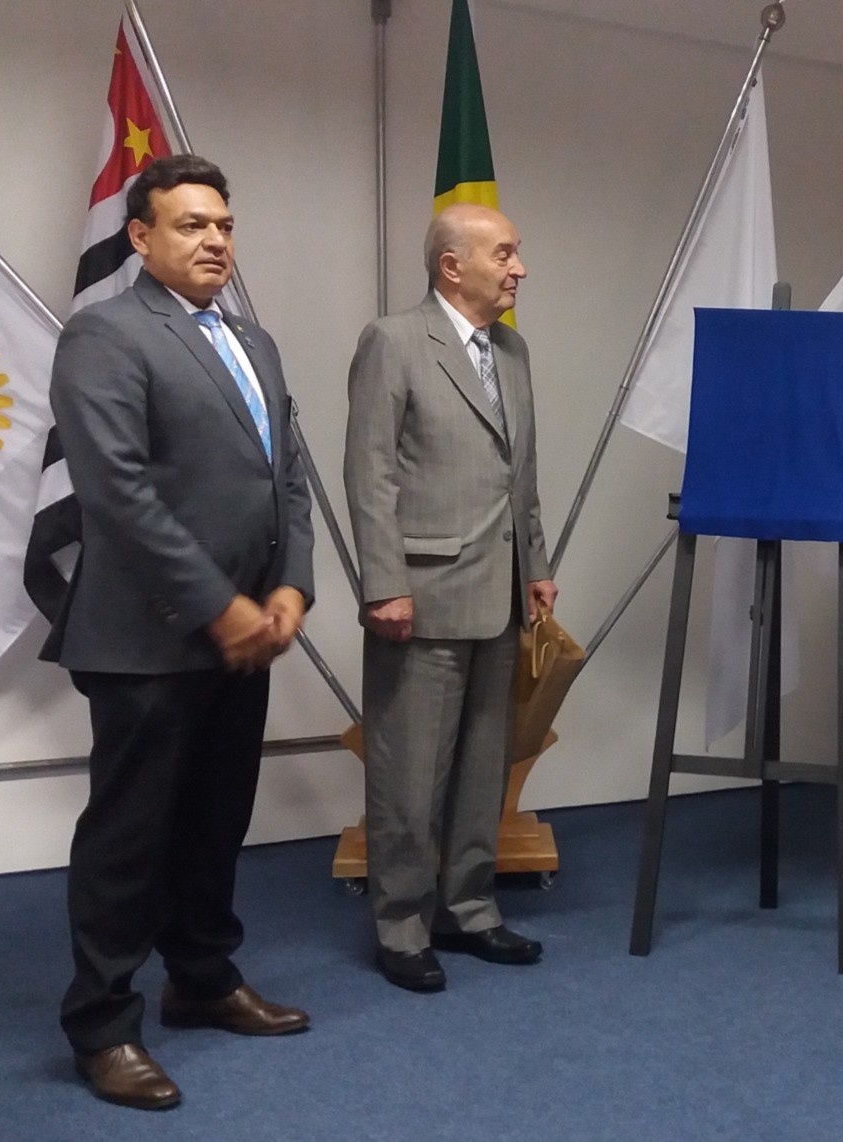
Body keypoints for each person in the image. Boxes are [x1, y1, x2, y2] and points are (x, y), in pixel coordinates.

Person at [42, 154, 315, 1110]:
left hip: (244, 633)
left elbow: (288, 475)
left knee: (213, 821)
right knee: (131, 837)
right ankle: (103, 1026)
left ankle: (201, 980)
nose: (214, 241)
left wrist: (293, 585)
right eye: (192, 225)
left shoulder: (255, 341)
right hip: (149, 636)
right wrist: (220, 604)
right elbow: (116, 492)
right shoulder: (104, 335)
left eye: (224, 226)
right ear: (141, 236)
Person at [344, 203, 556, 992]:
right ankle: (402, 924)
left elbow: (519, 475)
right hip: (421, 597)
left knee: (481, 767)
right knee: (409, 772)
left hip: (500, 593)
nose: (519, 268)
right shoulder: (393, 341)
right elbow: (369, 473)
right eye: (504, 253)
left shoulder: (513, 350)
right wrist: (383, 585)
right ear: (451, 265)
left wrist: (536, 563)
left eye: (516, 252)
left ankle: (468, 909)